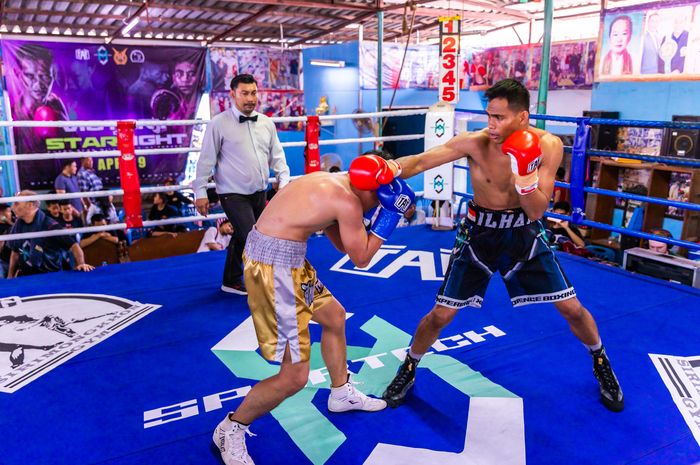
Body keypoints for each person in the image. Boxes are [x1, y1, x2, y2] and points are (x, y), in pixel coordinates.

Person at [382, 79, 624, 413]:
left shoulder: (548, 145)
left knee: (570, 308)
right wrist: (388, 168)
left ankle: (601, 360)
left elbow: (537, 210)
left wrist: (524, 176)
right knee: (441, 314)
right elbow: (422, 162)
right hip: (478, 233)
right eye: (489, 116)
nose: (490, 125)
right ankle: (408, 366)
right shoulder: (474, 142)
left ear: (523, 117)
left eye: (499, 117)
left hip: (524, 233)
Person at [210, 153, 412, 465]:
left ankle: (341, 392)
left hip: (287, 259)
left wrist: (373, 216)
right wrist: (389, 217)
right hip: (272, 270)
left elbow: (345, 243)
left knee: (334, 317)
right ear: (373, 190)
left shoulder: (334, 183)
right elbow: (361, 257)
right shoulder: (347, 202)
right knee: (294, 377)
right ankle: (231, 428)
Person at [194, 74, 290, 295]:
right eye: (244, 93)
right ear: (233, 94)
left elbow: (278, 156)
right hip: (231, 193)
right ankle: (265, 283)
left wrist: (283, 183)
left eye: (253, 92)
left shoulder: (266, 123)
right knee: (253, 237)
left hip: (259, 192)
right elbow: (206, 160)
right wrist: (200, 192)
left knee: (241, 235)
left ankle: (231, 280)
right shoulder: (218, 124)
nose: (250, 98)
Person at [6, 191, 94, 277]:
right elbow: (15, 251)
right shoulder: (18, 225)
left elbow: (74, 245)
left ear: (30, 205)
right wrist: (10, 276)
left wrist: (81, 264)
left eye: (16, 203)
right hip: (27, 277)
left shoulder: (50, 226)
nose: (12, 207)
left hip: (50, 277)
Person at [11, 43, 68, 154]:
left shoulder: (56, 105)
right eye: (30, 76)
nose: (38, 84)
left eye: (44, 76)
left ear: (53, 75)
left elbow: (75, 148)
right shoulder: (12, 114)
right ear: (18, 74)